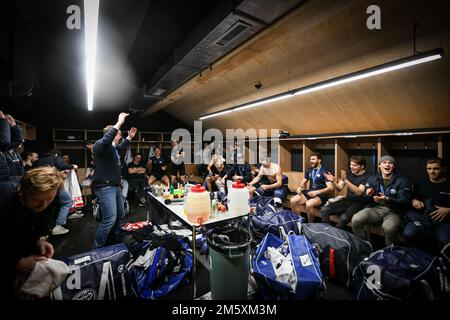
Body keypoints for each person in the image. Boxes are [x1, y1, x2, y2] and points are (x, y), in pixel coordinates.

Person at [1, 167, 63, 300]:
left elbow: (39, 223)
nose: (44, 205)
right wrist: (16, 262)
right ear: (23, 192)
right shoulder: (3, 199)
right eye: (38, 201)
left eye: (49, 200)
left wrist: (39, 240)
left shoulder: (48, 197)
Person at [92, 112, 137, 248]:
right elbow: (107, 140)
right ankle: (97, 248)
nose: (120, 135)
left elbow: (121, 146)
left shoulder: (113, 148)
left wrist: (129, 137)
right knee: (110, 218)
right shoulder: (101, 145)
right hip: (105, 187)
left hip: (115, 186)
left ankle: (113, 241)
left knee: (120, 215)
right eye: (118, 133)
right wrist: (119, 123)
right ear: (111, 134)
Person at [352, 155, 412, 246]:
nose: (387, 165)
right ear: (379, 166)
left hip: (394, 211)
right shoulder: (373, 178)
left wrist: (388, 199)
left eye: (390, 163)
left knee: (389, 228)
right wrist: (368, 194)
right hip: (376, 208)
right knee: (356, 219)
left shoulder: (402, 181)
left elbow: (405, 201)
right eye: (384, 162)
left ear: (394, 166)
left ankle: (390, 253)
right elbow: (366, 198)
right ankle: (364, 246)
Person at [403, 158, 450, 252]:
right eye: (429, 168)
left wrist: (448, 210)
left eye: (436, 168)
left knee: (444, 240)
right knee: (408, 233)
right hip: (422, 218)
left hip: (443, 221)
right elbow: (412, 198)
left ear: (443, 169)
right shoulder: (420, 182)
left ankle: (439, 263)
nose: (432, 172)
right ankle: (416, 259)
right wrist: (414, 201)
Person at [37, 149, 81, 235]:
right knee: (67, 202)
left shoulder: (39, 161)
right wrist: (73, 166)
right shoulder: (56, 158)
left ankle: (43, 231)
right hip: (53, 184)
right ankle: (58, 226)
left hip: (41, 185)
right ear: (57, 155)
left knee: (46, 207)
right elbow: (63, 166)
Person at [321, 156, 369, 228]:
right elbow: (339, 188)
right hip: (348, 199)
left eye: (354, 165)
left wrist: (346, 180)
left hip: (359, 202)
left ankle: (337, 235)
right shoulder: (349, 173)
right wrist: (333, 181)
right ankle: (328, 232)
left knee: (343, 218)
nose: (351, 167)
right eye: (351, 164)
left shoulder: (367, 176)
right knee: (324, 210)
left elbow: (359, 192)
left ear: (362, 166)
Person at [290, 153, 334, 222]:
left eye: (313, 159)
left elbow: (330, 188)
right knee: (293, 201)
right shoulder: (309, 170)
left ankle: (310, 224)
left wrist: (317, 192)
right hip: (310, 192)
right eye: (310, 159)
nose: (311, 161)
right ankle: (298, 222)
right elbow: (302, 183)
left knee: (309, 204)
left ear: (319, 160)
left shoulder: (324, 171)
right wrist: (299, 188)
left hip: (321, 195)